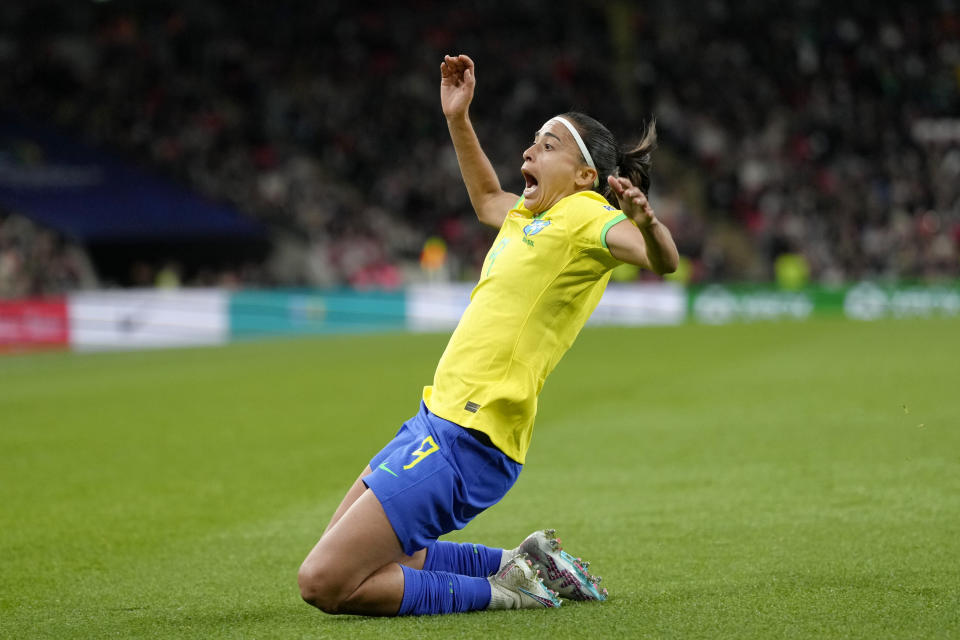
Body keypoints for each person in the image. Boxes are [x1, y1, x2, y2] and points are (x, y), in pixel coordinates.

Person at [297, 53, 679, 617]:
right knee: (358, 560)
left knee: (324, 582)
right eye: (533, 141)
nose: (529, 151)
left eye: (549, 145)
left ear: (584, 177)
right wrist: (458, 116)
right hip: (434, 420)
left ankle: (506, 593)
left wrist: (647, 224)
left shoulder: (587, 219)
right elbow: (483, 198)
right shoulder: (528, 217)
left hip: (472, 436)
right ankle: (518, 563)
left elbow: (662, 260)